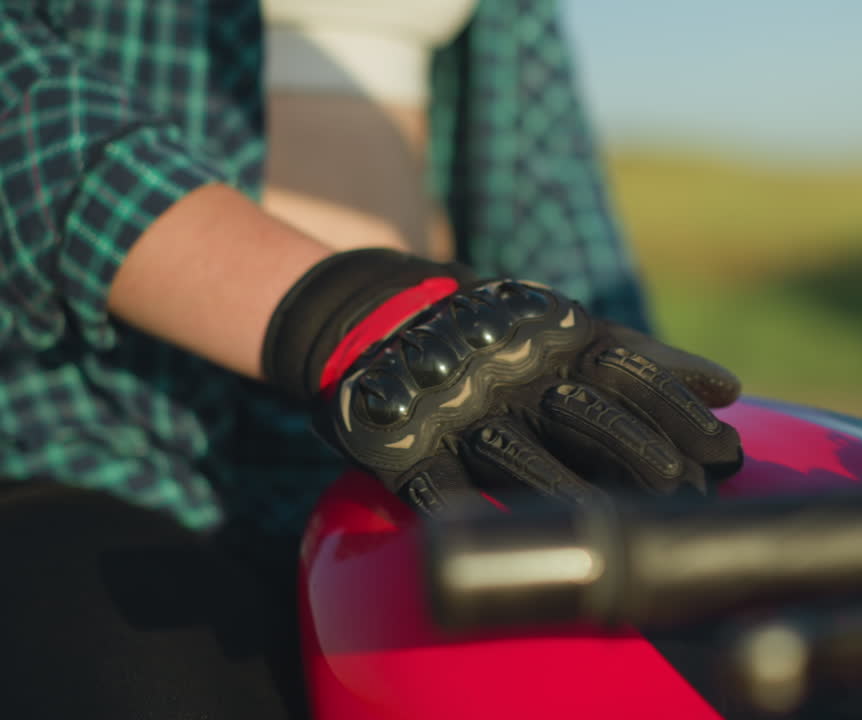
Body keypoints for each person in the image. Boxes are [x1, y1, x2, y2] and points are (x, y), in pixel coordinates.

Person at [0, 1, 742, 717]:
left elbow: (543, 179)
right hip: (101, 433)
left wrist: (615, 386)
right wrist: (337, 316)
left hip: (438, 437)